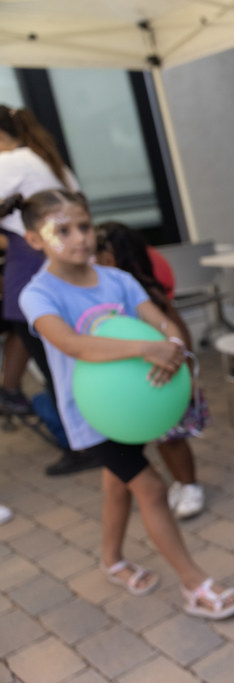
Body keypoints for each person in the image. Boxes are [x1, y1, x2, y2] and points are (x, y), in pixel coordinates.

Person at [13, 189, 234, 619]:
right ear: (33, 240)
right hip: (91, 415)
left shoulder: (117, 280)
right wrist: (145, 348)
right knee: (151, 488)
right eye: (62, 230)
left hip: (134, 409)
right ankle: (194, 585)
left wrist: (173, 347)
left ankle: (112, 561)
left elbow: (159, 321)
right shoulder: (38, 294)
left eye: (84, 226)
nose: (79, 237)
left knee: (117, 483)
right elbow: (72, 344)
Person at [0, 104, 96, 475]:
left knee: (53, 364)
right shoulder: (46, 160)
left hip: (32, 269)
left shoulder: (10, 163)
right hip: (65, 268)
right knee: (62, 356)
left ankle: (82, 444)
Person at [95, 222, 206, 519]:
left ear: (112, 258)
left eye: (98, 253)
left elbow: (178, 332)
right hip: (142, 384)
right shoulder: (106, 294)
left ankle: (190, 484)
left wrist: (187, 374)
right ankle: (180, 482)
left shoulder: (144, 294)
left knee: (172, 439)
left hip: (166, 378)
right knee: (159, 439)